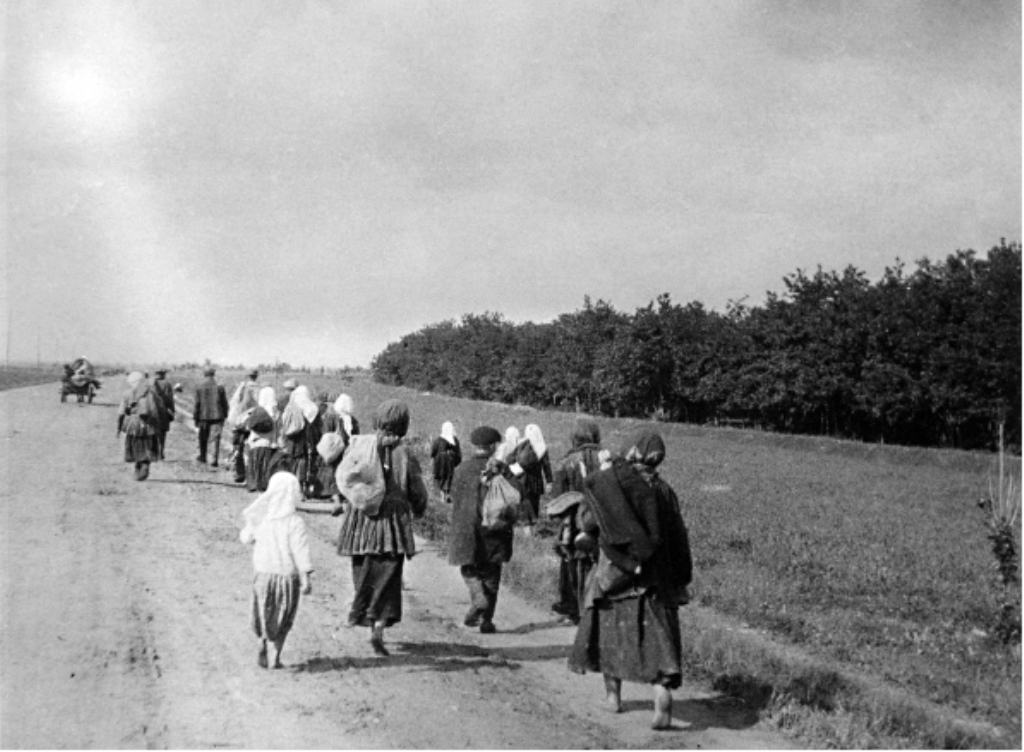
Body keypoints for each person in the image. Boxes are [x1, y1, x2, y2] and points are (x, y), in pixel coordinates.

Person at [568, 429, 692, 731]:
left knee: (609, 638)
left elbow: (589, 523)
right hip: (657, 579)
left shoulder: (615, 484)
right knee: (659, 642)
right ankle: (662, 695)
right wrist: (681, 575)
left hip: (617, 575)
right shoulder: (664, 491)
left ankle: (613, 698)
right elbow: (678, 537)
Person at [335, 399, 428, 656]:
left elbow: (347, 478)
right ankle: (378, 625)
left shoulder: (361, 445)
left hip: (362, 519)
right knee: (388, 574)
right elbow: (417, 490)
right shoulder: (405, 454)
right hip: (392, 524)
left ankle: (362, 611)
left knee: (362, 566)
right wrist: (419, 508)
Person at [448, 426, 524, 634]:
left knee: (469, 567)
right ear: (492, 447)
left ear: (474, 446)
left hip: (467, 527)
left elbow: (455, 498)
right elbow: (516, 496)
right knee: (492, 573)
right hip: (495, 527)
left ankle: (476, 594)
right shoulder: (502, 469)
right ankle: (487, 621)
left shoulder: (461, 469)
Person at [240, 472, 313, 669]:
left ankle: (262, 641)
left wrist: (250, 527)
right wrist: (305, 576)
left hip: (263, 574)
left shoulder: (262, 517)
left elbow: (246, 538)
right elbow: (300, 551)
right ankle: (276, 656)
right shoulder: (295, 522)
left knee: (263, 611)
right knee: (283, 617)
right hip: (287, 577)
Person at [549, 417, 603, 625]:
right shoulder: (608, 459)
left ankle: (574, 609)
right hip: (602, 521)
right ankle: (592, 608)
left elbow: (557, 498)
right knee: (597, 564)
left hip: (573, 522)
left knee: (572, 563)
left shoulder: (566, 462)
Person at [116, 372, 161, 481]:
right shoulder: (151, 393)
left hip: (133, 424)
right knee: (149, 444)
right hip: (149, 424)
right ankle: (145, 463)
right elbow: (156, 410)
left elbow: (121, 413)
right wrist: (157, 425)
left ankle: (137, 464)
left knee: (134, 443)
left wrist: (119, 428)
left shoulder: (127, 393)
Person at [245, 386, 290, 493]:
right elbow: (279, 430)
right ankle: (263, 485)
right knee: (266, 465)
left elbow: (248, 426)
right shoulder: (277, 413)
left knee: (254, 463)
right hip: (269, 443)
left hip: (255, 443)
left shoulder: (256, 411)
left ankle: (253, 484)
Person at [281, 385, 322, 498]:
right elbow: (318, 426)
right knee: (305, 463)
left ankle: (292, 489)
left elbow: (284, 422)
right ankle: (303, 489)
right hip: (308, 441)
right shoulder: (313, 408)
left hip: (293, 440)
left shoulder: (292, 407)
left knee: (293, 463)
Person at [318, 393, 359, 506]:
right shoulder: (353, 420)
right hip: (347, 449)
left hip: (333, 448)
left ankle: (333, 493)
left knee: (331, 469)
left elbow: (325, 433)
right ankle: (342, 493)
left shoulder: (331, 417)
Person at [513, 423, 553, 528]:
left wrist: (516, 472)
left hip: (522, 479)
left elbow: (512, 459)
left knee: (525, 502)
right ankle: (534, 526)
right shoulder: (542, 447)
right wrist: (549, 481)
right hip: (536, 480)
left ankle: (526, 527)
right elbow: (546, 466)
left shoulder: (521, 445)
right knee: (535, 503)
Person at [228, 370, 261, 484]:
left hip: (241, 421)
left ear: (247, 377)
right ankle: (252, 474)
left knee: (239, 447)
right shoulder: (260, 389)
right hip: (255, 421)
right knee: (252, 448)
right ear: (256, 377)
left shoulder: (242, 388)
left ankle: (240, 472)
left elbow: (234, 403)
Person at [193, 367, 229, 467]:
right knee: (215, 438)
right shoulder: (219, 387)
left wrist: (195, 417)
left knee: (203, 437)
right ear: (213, 374)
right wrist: (225, 415)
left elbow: (197, 404)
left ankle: (203, 457)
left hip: (203, 416)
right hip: (217, 416)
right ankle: (214, 459)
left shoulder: (199, 387)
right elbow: (224, 403)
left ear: (205, 374)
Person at [430, 421, 462, 503]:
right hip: (449, 462)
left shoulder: (438, 440)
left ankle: (442, 496)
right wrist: (455, 460)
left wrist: (435, 457)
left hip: (439, 462)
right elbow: (458, 453)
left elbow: (433, 452)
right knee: (448, 477)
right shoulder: (454, 440)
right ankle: (447, 494)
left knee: (440, 477)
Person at [152, 368, 176, 460]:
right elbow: (170, 399)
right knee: (162, 433)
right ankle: (161, 452)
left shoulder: (150, 384)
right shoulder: (167, 384)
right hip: (163, 411)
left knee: (153, 432)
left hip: (152, 411)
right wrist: (172, 411)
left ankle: (154, 452)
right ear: (163, 374)